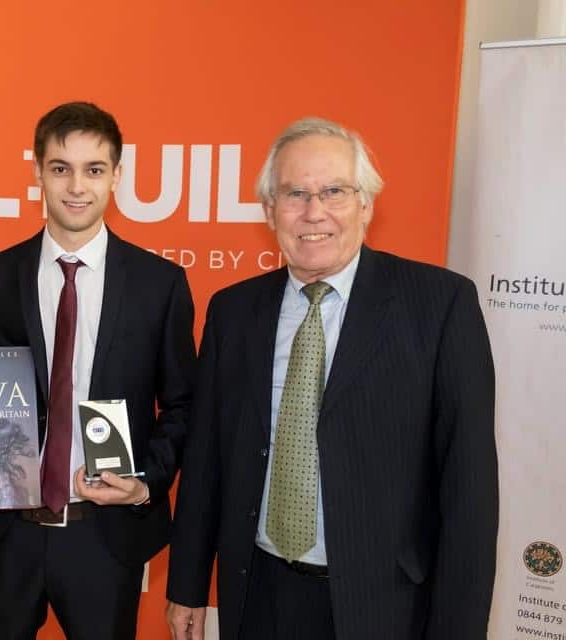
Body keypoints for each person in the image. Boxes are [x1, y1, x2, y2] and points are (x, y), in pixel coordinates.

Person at [166, 117, 497, 640]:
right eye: (295, 193)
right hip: (257, 595)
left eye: (334, 192)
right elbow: (207, 459)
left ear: (366, 203)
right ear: (270, 210)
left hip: (384, 606)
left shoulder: (440, 305)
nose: (313, 212)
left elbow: (469, 490)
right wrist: (186, 584)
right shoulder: (233, 311)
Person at [0, 101, 196, 639]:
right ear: (37, 171)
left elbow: (182, 406)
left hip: (105, 536)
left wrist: (145, 482)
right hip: (9, 535)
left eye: (94, 169)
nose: (76, 186)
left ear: (117, 177)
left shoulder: (161, 285)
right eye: (61, 168)